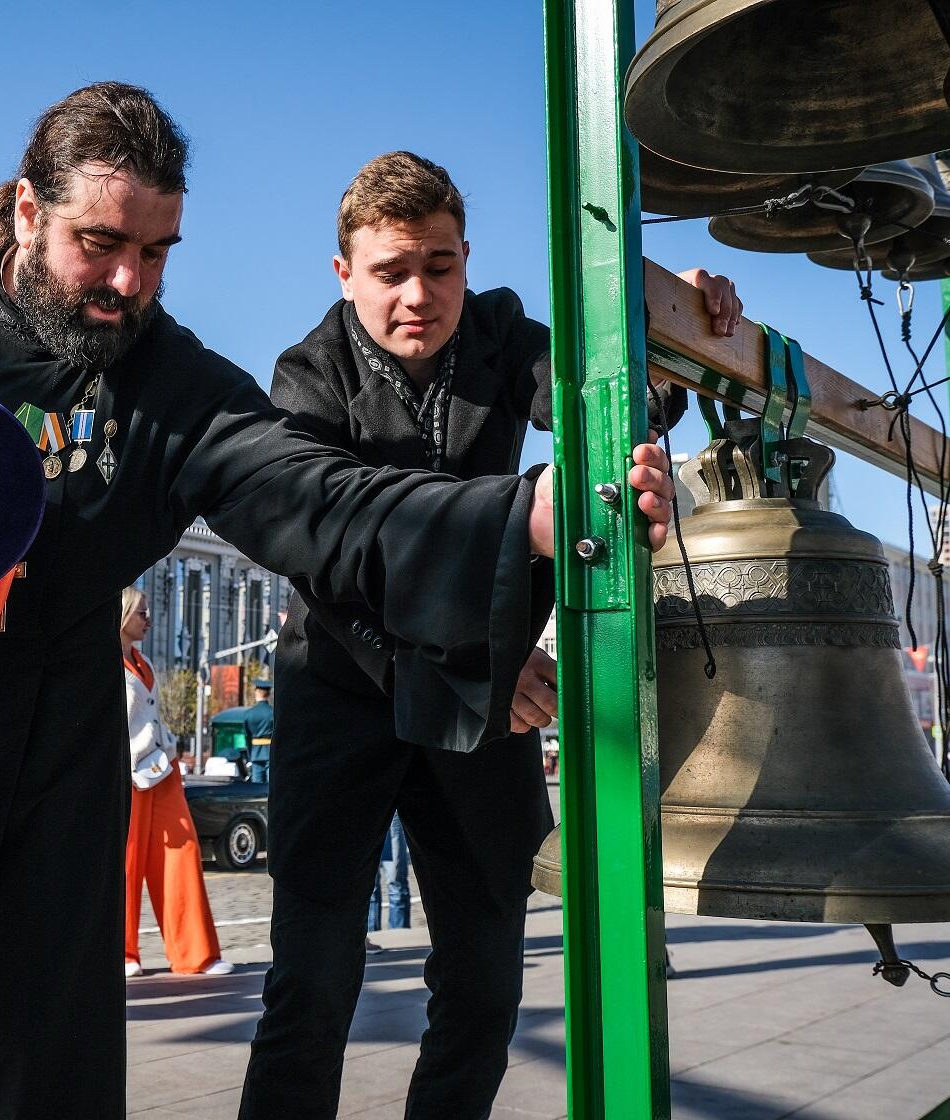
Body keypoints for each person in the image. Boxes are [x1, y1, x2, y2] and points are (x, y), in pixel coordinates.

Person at [0, 85, 678, 1120]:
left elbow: (327, 503)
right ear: (30, 212)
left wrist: (528, 517)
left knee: (13, 1047)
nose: (128, 281)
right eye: (101, 244)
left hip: (43, 773)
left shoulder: (180, 391)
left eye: (158, 252)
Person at [238, 151, 740, 1118]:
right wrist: (473, 668)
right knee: (312, 984)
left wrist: (675, 327)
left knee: (484, 982)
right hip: (346, 683)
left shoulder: (503, 330)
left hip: (484, 687)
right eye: (390, 271)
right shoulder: (305, 380)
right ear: (344, 274)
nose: (418, 295)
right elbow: (325, 574)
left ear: (467, 257)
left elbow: (609, 401)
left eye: (440, 266)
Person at [121, 587, 233, 979]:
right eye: (141, 615)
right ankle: (123, 953)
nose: (148, 621)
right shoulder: (107, 666)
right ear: (123, 618)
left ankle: (195, 954)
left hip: (162, 769)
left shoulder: (144, 661)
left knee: (183, 853)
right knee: (127, 861)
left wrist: (170, 751)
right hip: (129, 774)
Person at [366, 812, 410, 934]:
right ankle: (372, 936)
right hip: (366, 811)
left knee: (396, 885)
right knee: (370, 889)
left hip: (392, 815)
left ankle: (399, 936)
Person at [243, 680, 274, 783]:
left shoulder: (249, 714)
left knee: (257, 787)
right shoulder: (273, 712)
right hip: (271, 753)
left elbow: (247, 737)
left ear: (256, 693)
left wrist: (250, 754)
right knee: (271, 786)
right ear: (269, 694)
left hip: (256, 753)